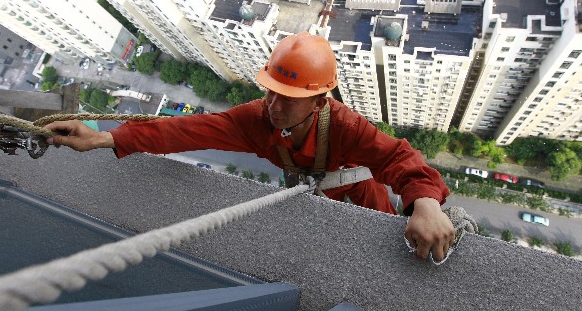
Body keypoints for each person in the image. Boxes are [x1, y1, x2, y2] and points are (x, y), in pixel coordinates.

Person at [45, 32, 455, 262]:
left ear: (318, 101)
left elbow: (399, 158)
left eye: (287, 98)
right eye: (270, 92)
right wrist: (103, 135)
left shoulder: (346, 126)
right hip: (311, 197)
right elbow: (188, 131)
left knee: (386, 239)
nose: (273, 107)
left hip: (362, 196)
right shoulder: (257, 118)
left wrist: (426, 205)